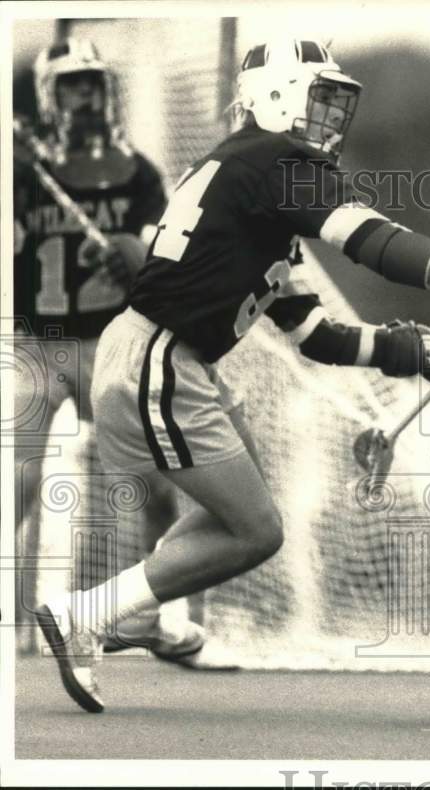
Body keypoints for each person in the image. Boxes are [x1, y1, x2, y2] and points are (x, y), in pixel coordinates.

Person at [34, 37, 430, 713]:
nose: (329, 120)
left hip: (170, 359)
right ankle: (92, 613)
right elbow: (367, 237)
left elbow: (318, 335)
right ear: (276, 96)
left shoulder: (252, 181)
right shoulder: (274, 158)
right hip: (160, 358)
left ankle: (132, 610)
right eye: (319, 100)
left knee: (233, 509)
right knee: (256, 532)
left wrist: (419, 350)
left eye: (337, 106)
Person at [13, 38, 202, 663]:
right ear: (49, 94)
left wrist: (130, 257)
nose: (86, 97)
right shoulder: (22, 167)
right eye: (72, 85)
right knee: (17, 479)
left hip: (109, 341)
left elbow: (160, 256)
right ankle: (15, 623)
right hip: (35, 345)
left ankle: (148, 616)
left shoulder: (137, 171)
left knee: (151, 484)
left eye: (93, 83)